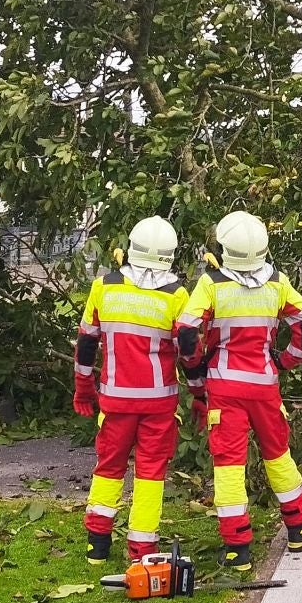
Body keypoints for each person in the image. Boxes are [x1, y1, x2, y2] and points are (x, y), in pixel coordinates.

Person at [175, 211, 302, 570]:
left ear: (225, 248)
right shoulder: (277, 283)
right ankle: (299, 528)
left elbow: (186, 332)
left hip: (224, 388)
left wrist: (197, 383)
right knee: (278, 454)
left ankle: (237, 548)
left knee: (229, 465)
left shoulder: (211, 284)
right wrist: (285, 361)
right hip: (265, 386)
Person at [74, 216, 190, 564]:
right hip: (159, 405)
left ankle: (97, 544)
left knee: (108, 467)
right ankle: (143, 549)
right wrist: (200, 394)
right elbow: (189, 352)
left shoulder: (104, 287)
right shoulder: (177, 296)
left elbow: (85, 344)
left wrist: (83, 389)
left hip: (115, 401)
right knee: (151, 473)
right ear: (170, 255)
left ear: (131, 248)